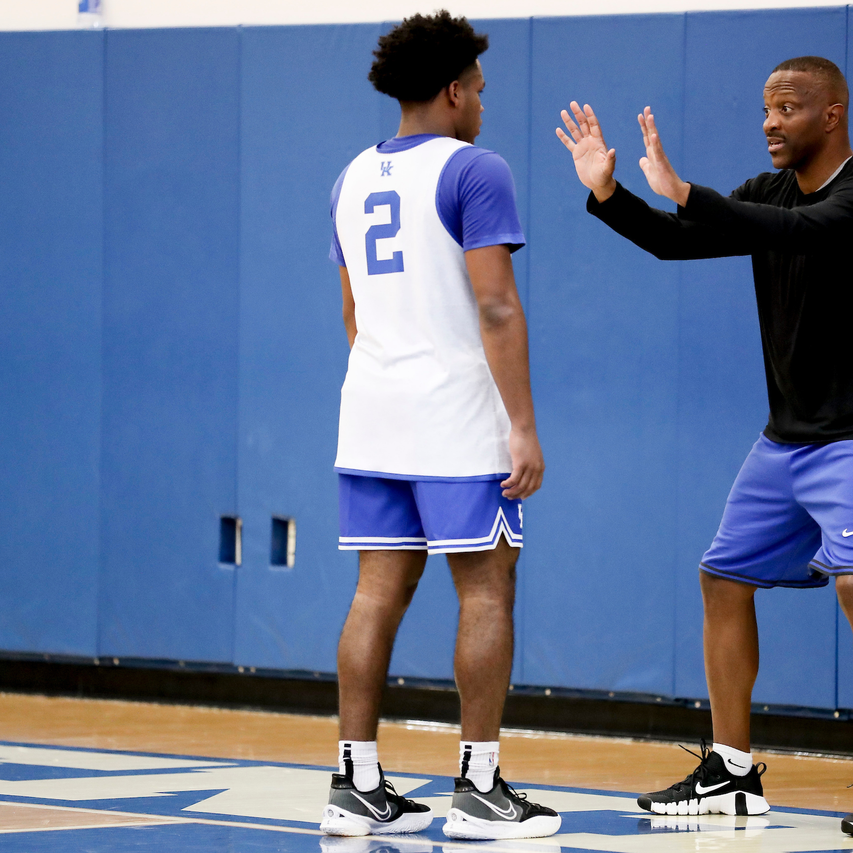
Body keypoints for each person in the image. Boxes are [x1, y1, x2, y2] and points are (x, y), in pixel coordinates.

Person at [556, 56, 853, 839]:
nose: (770, 122)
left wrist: (690, 192)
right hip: (789, 435)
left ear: (831, 115)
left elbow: (797, 231)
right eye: (767, 109)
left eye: (788, 108)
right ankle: (732, 772)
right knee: (723, 576)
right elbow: (676, 242)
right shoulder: (765, 191)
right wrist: (609, 190)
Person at [321, 11, 560, 842]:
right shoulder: (474, 169)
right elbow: (496, 303)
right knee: (487, 588)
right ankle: (481, 787)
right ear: (454, 90)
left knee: (375, 592)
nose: (485, 108)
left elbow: (353, 312)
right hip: (455, 415)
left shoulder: (349, 178)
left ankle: (355, 783)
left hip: (372, 414)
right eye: (482, 92)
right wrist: (522, 427)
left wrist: (394, 377)